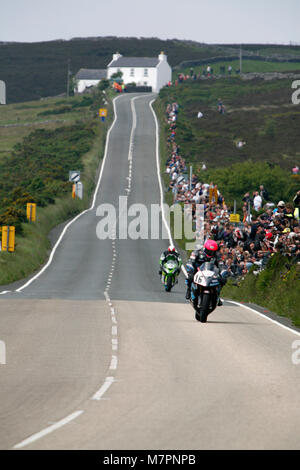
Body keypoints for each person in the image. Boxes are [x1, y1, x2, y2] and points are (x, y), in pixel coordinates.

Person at [185, 240, 224, 305]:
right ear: (205, 248)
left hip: (211, 273)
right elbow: (190, 261)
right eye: (209, 251)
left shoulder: (217, 255)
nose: (211, 253)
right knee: (190, 277)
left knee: (222, 280)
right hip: (198, 271)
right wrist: (190, 268)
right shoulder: (197, 252)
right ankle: (189, 289)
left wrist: (223, 272)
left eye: (212, 251)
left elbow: (221, 265)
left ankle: (217, 295)